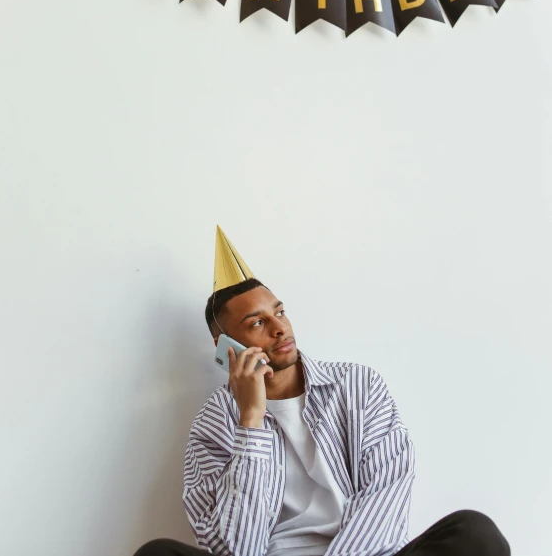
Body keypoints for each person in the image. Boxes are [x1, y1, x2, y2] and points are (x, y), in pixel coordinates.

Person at [134, 227, 510, 556]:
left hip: (363, 553)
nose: (279, 328)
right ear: (224, 344)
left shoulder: (357, 386)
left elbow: (387, 494)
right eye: (258, 323)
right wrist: (250, 422)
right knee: (157, 553)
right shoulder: (212, 424)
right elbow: (236, 549)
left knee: (474, 533)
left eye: (280, 312)